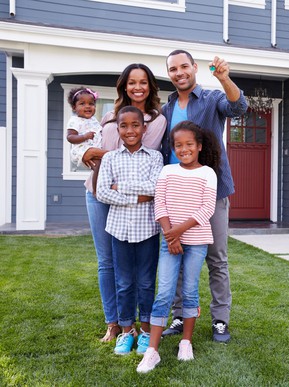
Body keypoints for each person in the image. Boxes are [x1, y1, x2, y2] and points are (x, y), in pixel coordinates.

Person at [160, 50, 248, 342]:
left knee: (216, 259)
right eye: (173, 68)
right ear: (169, 73)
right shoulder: (167, 108)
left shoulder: (211, 99)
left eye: (184, 66)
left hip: (212, 191)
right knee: (177, 254)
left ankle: (220, 320)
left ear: (194, 68)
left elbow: (238, 107)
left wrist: (224, 78)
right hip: (175, 194)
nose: (179, 72)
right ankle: (178, 315)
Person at [81, 63, 167, 343]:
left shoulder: (157, 120)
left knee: (139, 273)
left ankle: (136, 326)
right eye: (132, 82)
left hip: (133, 201)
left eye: (143, 82)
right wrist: (87, 153)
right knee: (107, 262)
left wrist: (103, 159)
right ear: (124, 86)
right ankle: (114, 323)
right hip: (97, 192)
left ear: (150, 86)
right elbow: (99, 154)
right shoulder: (108, 116)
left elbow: (141, 152)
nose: (137, 87)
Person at [138, 121, 220, 373]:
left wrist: (177, 232)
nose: (183, 149)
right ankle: (152, 351)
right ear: (173, 148)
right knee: (164, 292)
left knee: (190, 290)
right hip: (170, 239)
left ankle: (186, 342)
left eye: (188, 145)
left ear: (199, 146)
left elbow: (207, 209)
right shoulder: (167, 171)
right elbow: (159, 204)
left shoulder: (208, 173)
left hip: (196, 241)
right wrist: (170, 235)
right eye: (178, 145)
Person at [96, 106, 164, 355]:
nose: (130, 130)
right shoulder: (111, 158)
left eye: (135, 125)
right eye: (124, 126)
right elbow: (103, 192)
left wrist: (120, 186)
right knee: (123, 283)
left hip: (147, 230)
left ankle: (145, 331)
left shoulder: (155, 157)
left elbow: (155, 187)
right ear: (118, 129)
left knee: (146, 282)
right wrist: (137, 197)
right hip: (119, 230)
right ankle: (127, 331)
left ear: (144, 128)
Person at [65, 87, 102, 191]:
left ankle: (102, 187)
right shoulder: (74, 121)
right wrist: (84, 136)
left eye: (91, 104)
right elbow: (70, 137)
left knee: (103, 166)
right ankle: (95, 190)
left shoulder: (94, 120)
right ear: (74, 107)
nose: (87, 106)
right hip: (81, 149)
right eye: (82, 104)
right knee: (98, 166)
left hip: (93, 148)